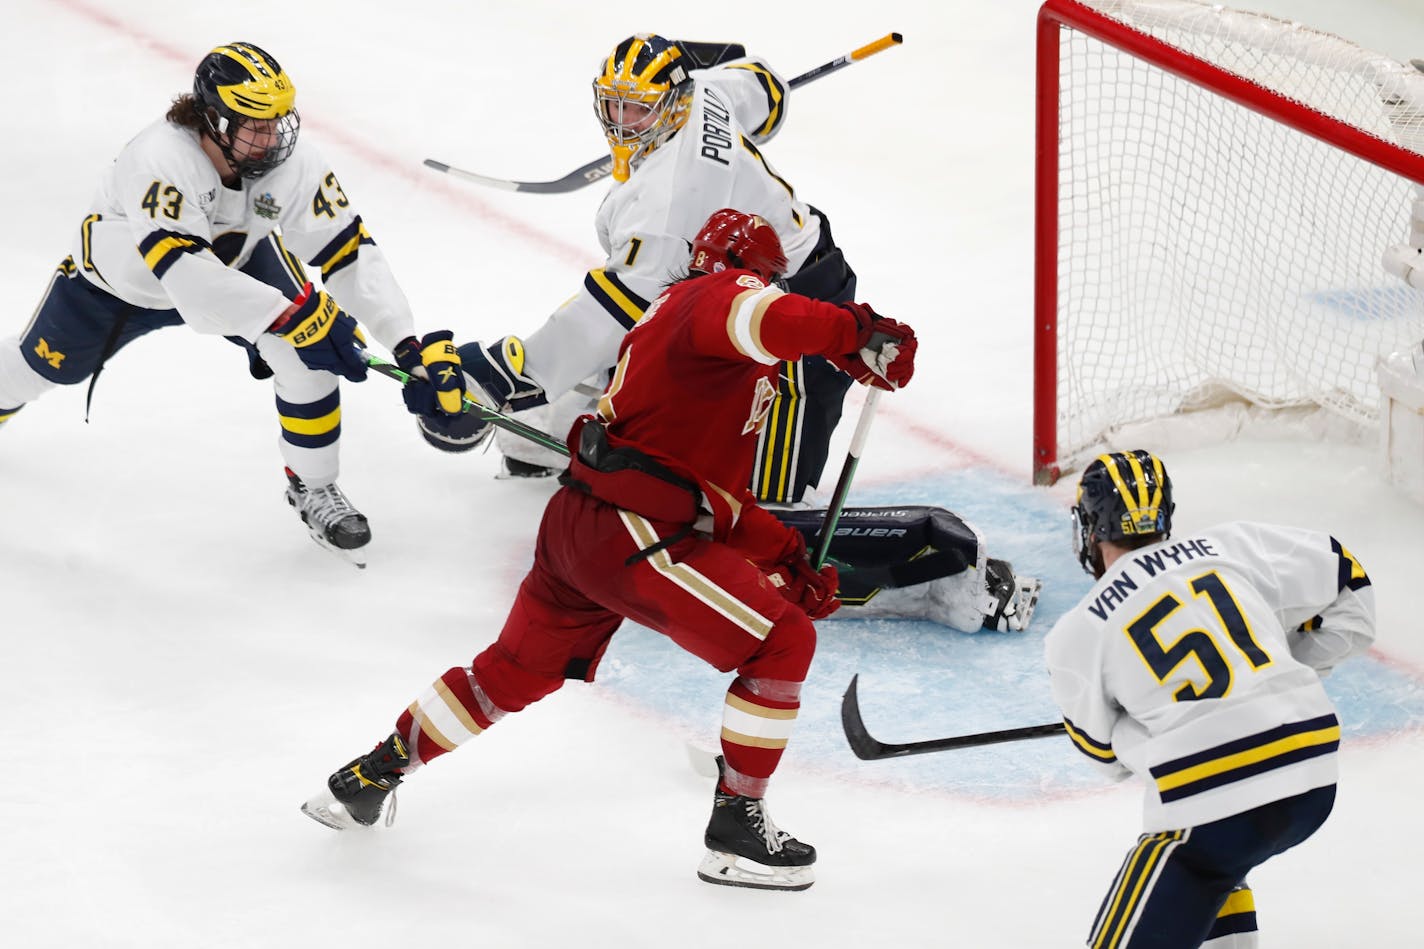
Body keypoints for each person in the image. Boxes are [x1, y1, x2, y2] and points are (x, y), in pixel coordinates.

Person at [301, 209, 918, 891]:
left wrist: (785, 555)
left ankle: (371, 773)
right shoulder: (714, 298)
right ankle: (738, 829)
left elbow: (708, 493)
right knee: (782, 641)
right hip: (635, 530)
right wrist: (857, 330)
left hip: (582, 526)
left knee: (510, 671)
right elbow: (767, 320)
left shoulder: (690, 334)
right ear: (756, 274)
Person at [418, 32, 1040, 631]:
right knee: (651, 363)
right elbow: (763, 86)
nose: (622, 123)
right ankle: (546, 435)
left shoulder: (668, 203)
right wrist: (719, 62)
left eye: (637, 111)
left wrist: (502, 372)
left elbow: (609, 312)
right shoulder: (709, 92)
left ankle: (932, 588)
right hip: (714, 303)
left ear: (675, 101)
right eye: (614, 106)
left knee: (754, 508)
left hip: (788, 314)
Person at [0, 42, 465, 564]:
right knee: (37, 369)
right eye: (257, 124)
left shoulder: (294, 163)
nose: (275, 136)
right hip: (118, 287)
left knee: (306, 358)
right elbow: (188, 281)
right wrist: (295, 315)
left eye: (279, 120)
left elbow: (349, 251)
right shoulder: (160, 158)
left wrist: (405, 342)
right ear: (214, 119)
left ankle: (313, 487)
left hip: (239, 260)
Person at [1044, 450, 1376, 948]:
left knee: (1196, 837)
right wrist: (1278, 669)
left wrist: (1141, 729)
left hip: (1215, 801)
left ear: (1089, 529)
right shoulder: (1233, 545)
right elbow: (1352, 590)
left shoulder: (1077, 632)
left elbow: (1104, 757)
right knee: (1212, 859)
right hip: (1313, 776)